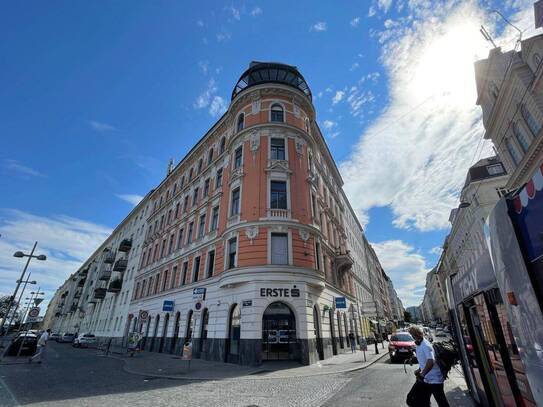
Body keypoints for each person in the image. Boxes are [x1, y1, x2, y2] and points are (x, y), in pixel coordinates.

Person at [406, 325, 449, 407]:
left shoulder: (425, 345)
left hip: (434, 380)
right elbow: (425, 361)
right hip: (427, 379)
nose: (411, 337)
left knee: (442, 403)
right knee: (414, 399)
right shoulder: (419, 345)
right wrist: (419, 370)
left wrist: (422, 374)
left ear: (416, 334)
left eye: (412, 335)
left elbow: (431, 361)